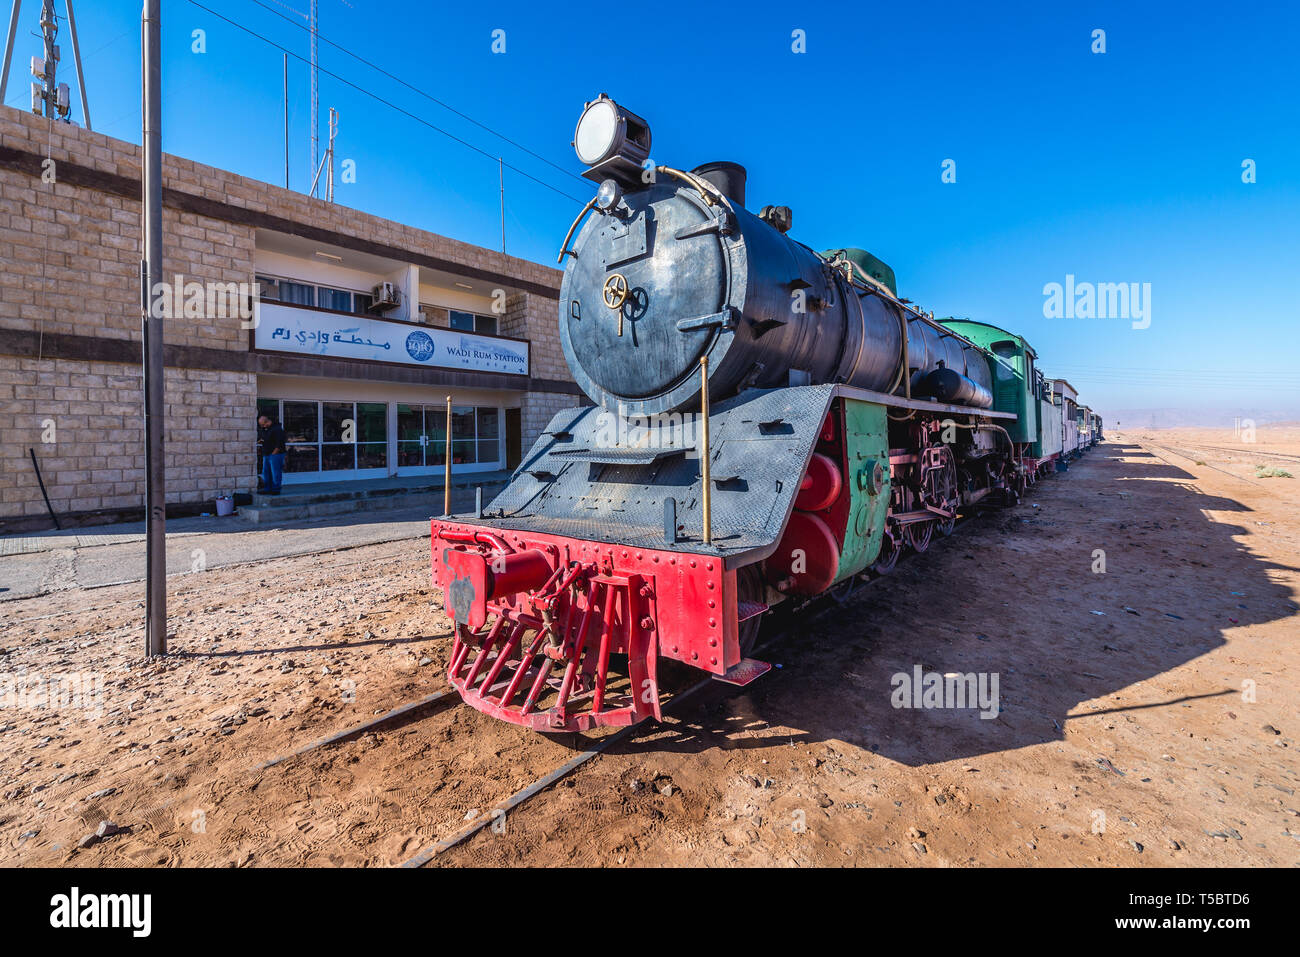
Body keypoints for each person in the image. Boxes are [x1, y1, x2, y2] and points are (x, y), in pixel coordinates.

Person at [257, 413, 287, 495]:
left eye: (263, 425)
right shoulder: (266, 429)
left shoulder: (277, 429)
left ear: (267, 422)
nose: (262, 427)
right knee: (266, 472)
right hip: (266, 454)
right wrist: (261, 441)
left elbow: (279, 443)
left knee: (275, 472)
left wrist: (274, 453)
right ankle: (267, 488)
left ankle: (276, 489)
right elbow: (266, 439)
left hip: (275, 455)